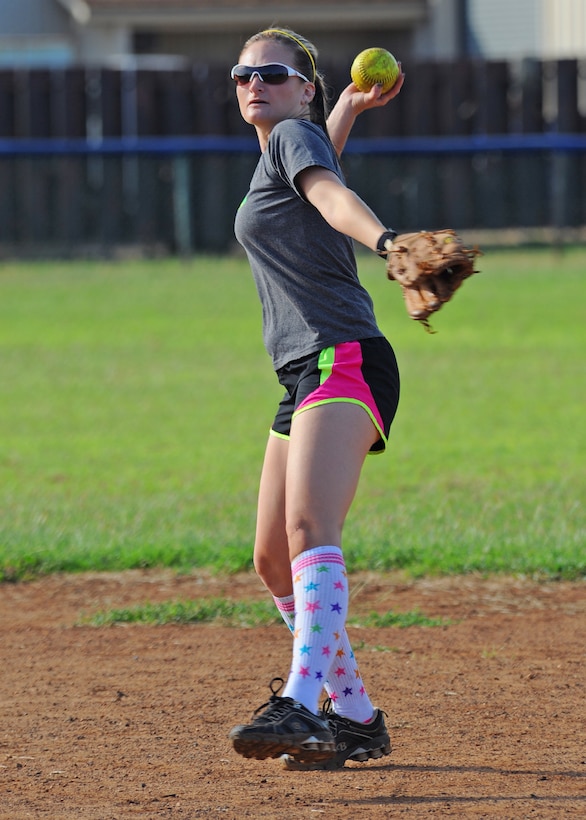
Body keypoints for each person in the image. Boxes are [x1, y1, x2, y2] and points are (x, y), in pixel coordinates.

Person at [227, 27, 404, 770]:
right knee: (272, 559)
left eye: (271, 71)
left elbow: (331, 196)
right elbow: (316, 169)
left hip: (345, 356)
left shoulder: (294, 135)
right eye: (241, 73)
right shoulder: (292, 145)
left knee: (308, 526)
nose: (252, 82)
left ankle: (303, 701)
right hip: (303, 371)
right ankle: (355, 715)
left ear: (305, 88)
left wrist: (388, 241)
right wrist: (352, 112)